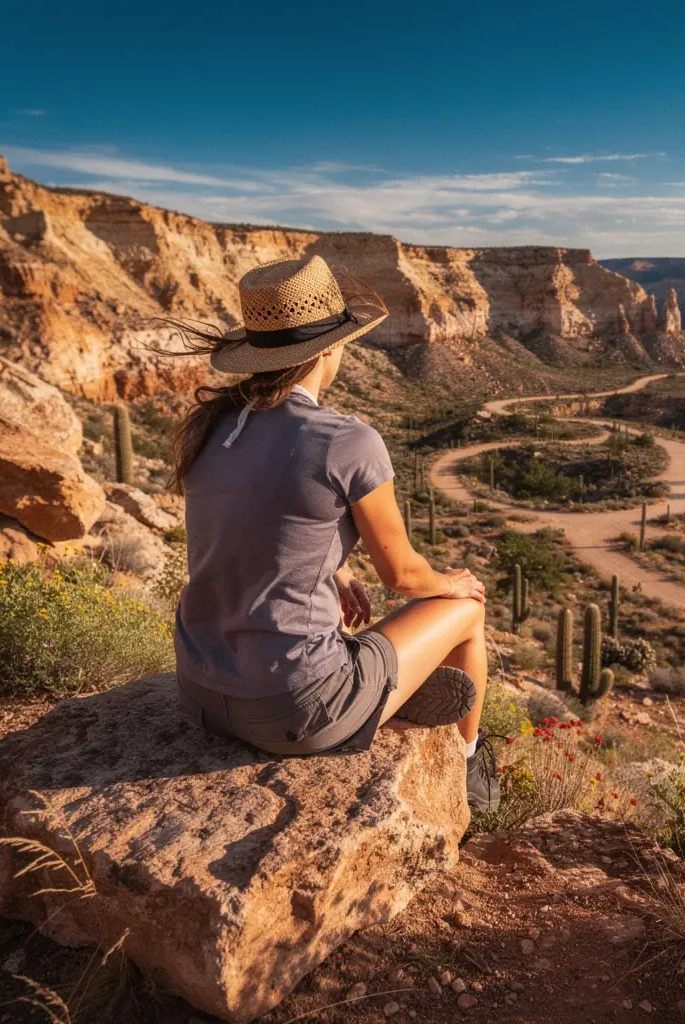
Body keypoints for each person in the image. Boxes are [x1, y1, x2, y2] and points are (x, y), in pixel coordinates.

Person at [166, 254, 499, 811]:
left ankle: (380, 696)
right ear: (328, 350)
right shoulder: (346, 439)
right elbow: (402, 574)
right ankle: (469, 771)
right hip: (292, 708)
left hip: (199, 691)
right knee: (467, 611)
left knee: (342, 634)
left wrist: (336, 569)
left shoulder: (212, 426)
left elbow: (250, 521)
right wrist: (453, 583)